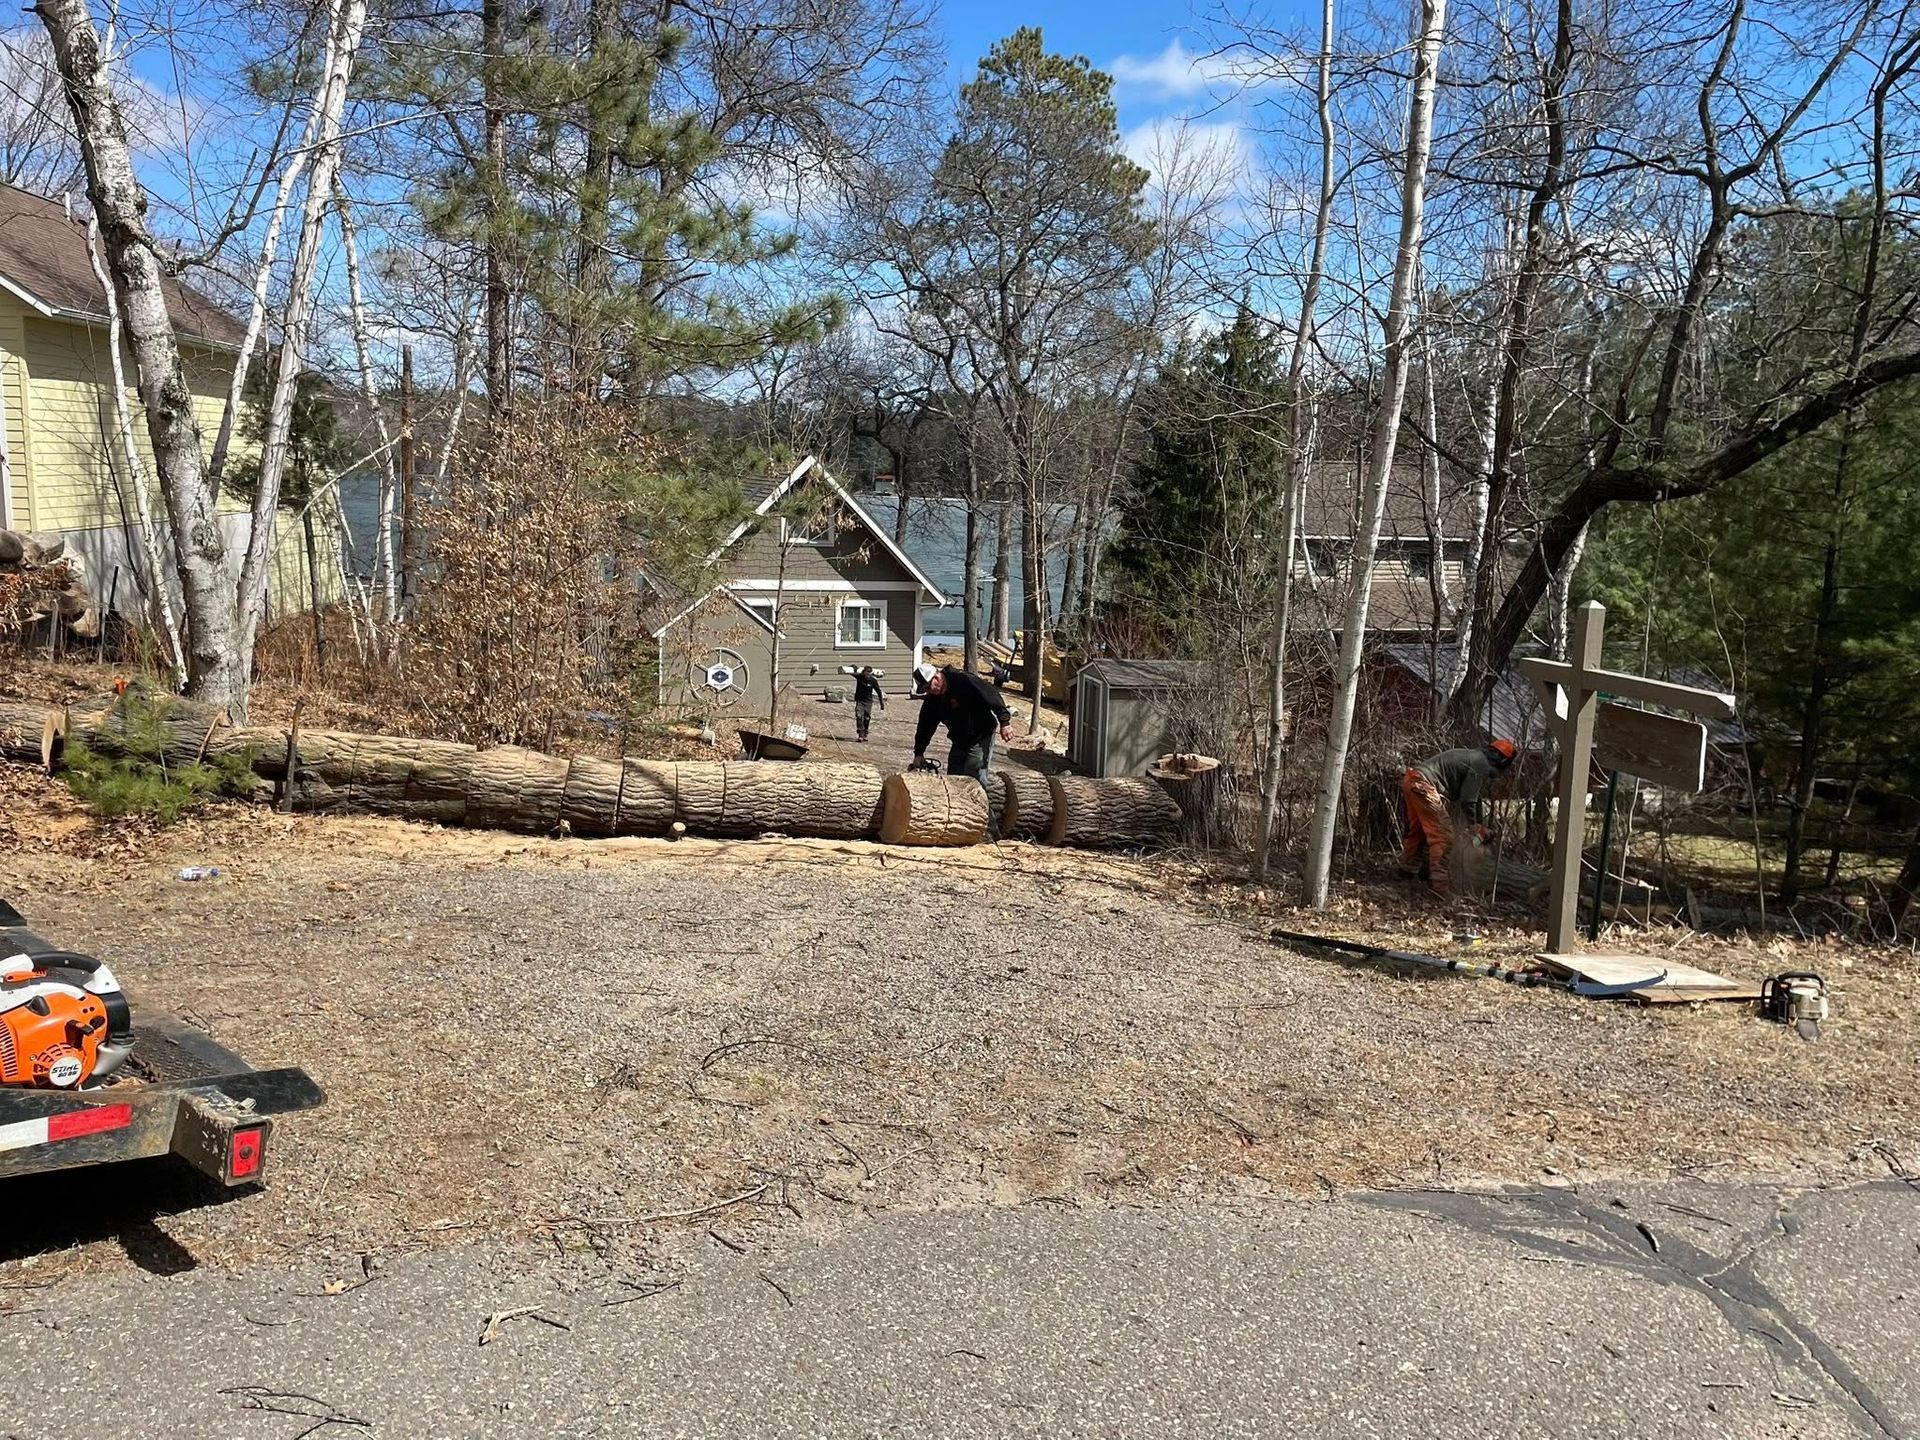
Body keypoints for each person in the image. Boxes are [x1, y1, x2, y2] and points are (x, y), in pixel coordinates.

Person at [1400, 739, 1517, 894]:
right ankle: (1440, 888)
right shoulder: (1480, 763)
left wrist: (1474, 823)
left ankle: (1406, 873)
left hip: (1412, 779)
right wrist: (1473, 826)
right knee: (1443, 836)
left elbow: (1468, 799)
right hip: (1423, 785)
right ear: (1502, 761)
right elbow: (1468, 801)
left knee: (1417, 831)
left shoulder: (1473, 757)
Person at [910, 661, 1012, 786]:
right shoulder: (932, 701)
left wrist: (1005, 722)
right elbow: (925, 727)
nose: (928, 692)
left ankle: (978, 804)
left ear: (936, 678)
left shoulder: (963, 680)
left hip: (981, 734)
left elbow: (992, 696)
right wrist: (919, 753)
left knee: (974, 777)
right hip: (959, 739)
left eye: (928, 688)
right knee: (953, 777)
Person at [852, 666, 885, 742]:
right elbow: (851, 673)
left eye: (869, 673)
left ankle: (865, 733)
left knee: (867, 717)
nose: (867, 675)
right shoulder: (859, 677)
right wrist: (853, 667)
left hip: (868, 701)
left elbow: (878, 691)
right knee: (859, 716)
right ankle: (860, 734)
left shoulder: (873, 681)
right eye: (866, 673)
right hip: (860, 700)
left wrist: (881, 703)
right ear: (864, 672)